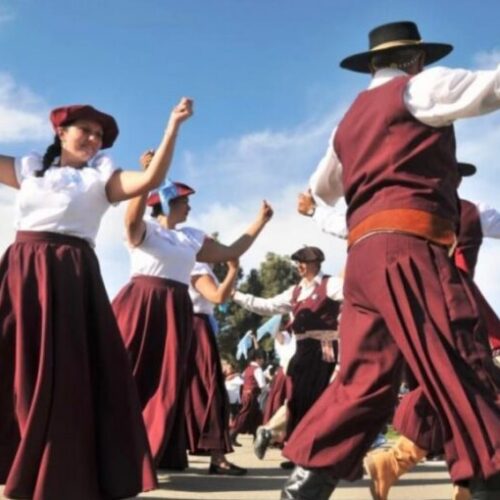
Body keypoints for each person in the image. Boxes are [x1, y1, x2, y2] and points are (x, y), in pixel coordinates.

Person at [280, 21, 500, 500]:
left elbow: (323, 187)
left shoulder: (348, 121)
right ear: (415, 59)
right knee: (461, 359)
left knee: (362, 378)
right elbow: (492, 87)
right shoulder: (421, 88)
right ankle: (488, 481)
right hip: (411, 250)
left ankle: (307, 483)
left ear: (372, 64)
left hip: (362, 260)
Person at [0, 97, 193, 499]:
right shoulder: (31, 168)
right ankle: (13, 458)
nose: (92, 138)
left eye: (99, 134)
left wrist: (172, 127)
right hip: (22, 269)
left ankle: (54, 467)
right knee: (14, 365)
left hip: (71, 274)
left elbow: (150, 180)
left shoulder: (101, 178)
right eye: (85, 130)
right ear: (61, 132)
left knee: (64, 372)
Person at [111, 152, 273, 471]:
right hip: (140, 304)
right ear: (168, 203)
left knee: (167, 382)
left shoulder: (192, 237)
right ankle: (103, 445)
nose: (190, 206)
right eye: (185, 200)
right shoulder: (146, 229)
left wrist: (260, 222)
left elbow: (232, 251)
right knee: (124, 374)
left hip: (175, 310)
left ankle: (149, 452)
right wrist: (147, 178)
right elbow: (130, 222)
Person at [365, 162, 500, 500]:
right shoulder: (456, 210)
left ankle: (402, 464)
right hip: (454, 309)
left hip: (424, 312)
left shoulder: (463, 212)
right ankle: (467, 480)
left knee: (451, 390)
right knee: (474, 388)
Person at [233, 246, 343, 464]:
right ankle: (297, 449)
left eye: (303, 261)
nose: (299, 266)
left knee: (316, 399)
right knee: (300, 400)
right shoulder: (295, 291)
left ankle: (299, 448)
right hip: (303, 352)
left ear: (316, 263)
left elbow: (357, 297)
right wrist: (235, 294)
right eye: (297, 262)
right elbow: (267, 305)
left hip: (324, 350)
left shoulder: (331, 284)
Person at [184, 259, 247, 475]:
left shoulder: (193, 266)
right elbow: (218, 297)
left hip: (195, 326)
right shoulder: (198, 268)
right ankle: (217, 458)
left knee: (193, 391)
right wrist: (233, 269)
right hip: (196, 328)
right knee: (210, 392)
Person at [229, 349, 267, 443]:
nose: (263, 361)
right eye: (262, 359)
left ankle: (256, 438)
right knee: (244, 416)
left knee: (257, 417)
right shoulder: (257, 369)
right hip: (252, 396)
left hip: (246, 395)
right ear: (258, 359)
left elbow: (243, 380)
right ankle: (232, 435)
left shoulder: (248, 368)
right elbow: (262, 385)